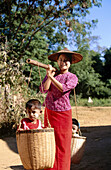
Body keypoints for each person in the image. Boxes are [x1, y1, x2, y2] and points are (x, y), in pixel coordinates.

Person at [40, 48, 83, 170]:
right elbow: (44, 89)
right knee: (50, 143)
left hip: (63, 114)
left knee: (63, 144)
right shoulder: (52, 74)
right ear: (57, 61)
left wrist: (51, 77)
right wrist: (49, 76)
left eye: (66, 60)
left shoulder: (72, 77)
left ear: (70, 63)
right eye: (60, 60)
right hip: (49, 111)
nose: (63, 63)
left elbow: (63, 88)